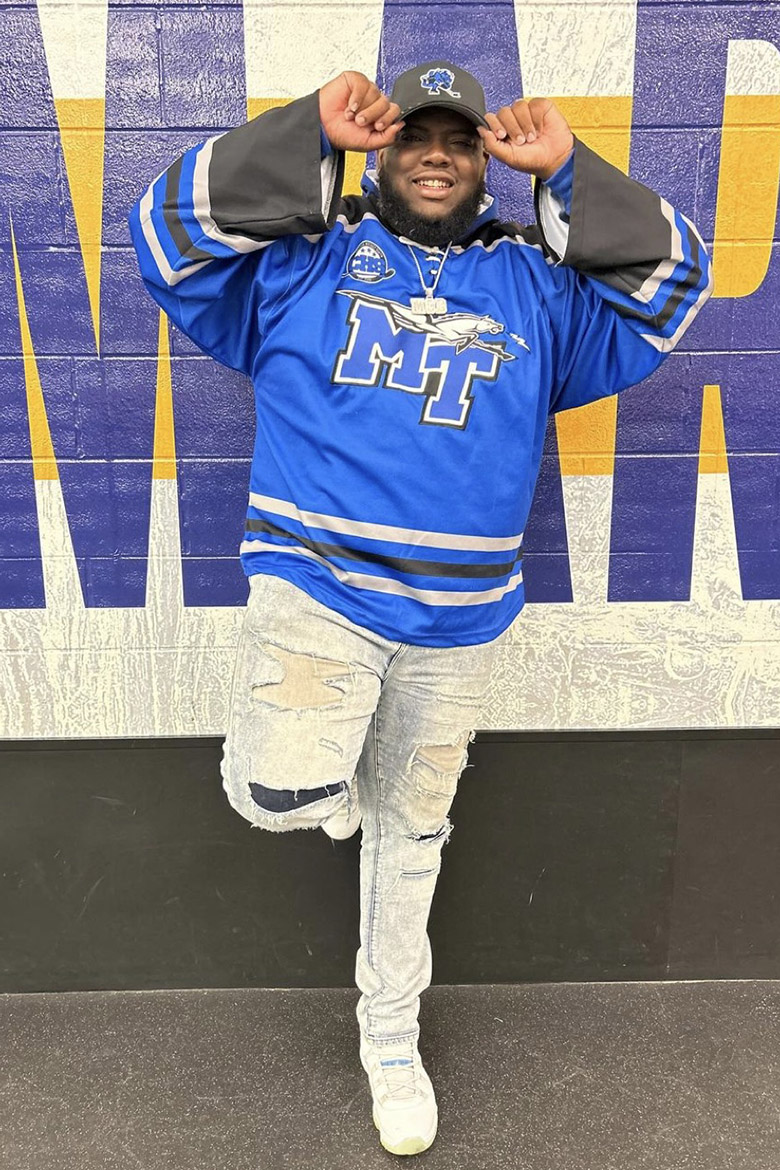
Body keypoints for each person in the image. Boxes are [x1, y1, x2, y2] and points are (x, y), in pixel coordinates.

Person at [129, 60, 712, 1156]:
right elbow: (161, 231)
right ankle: (327, 768)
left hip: (459, 621)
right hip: (321, 589)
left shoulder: (536, 285)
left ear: (483, 161)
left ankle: (389, 1036)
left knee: (412, 835)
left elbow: (678, 283)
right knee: (279, 788)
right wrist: (308, 131)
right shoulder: (304, 262)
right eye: (414, 138)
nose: (436, 154)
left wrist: (571, 173)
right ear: (382, 153)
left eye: (458, 139)